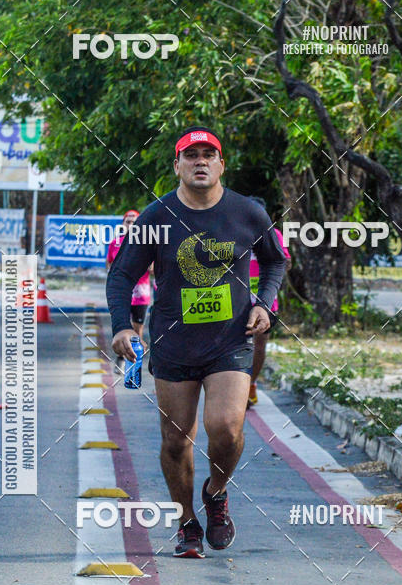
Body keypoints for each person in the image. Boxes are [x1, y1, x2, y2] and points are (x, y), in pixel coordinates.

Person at [107, 127, 286, 558]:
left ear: (221, 165)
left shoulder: (247, 213)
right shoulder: (156, 218)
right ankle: (187, 522)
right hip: (174, 343)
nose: (200, 161)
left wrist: (264, 303)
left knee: (226, 428)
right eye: (191, 155)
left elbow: (275, 260)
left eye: (209, 154)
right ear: (177, 166)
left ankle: (216, 492)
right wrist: (122, 326)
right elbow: (122, 275)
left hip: (230, 342)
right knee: (175, 439)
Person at [247, 196, 291, 407]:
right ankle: (236, 387)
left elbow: (285, 263)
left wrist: (278, 264)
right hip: (237, 300)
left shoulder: (275, 235)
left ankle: (250, 384)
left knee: (259, 346)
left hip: (266, 301)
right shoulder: (235, 234)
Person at [105, 209, 152, 345]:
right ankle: (123, 353)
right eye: (128, 222)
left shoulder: (146, 242)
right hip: (122, 293)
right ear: (123, 224)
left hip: (140, 293)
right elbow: (109, 264)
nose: (131, 225)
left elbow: (153, 269)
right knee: (122, 328)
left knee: (137, 330)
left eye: (134, 222)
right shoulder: (115, 243)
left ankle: (136, 355)